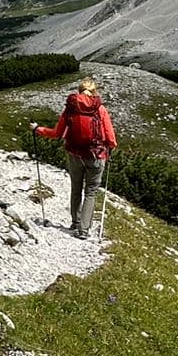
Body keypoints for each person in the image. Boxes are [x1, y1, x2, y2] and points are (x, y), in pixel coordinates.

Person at [33, 76, 117, 239]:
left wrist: (38, 129)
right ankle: (84, 230)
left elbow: (57, 133)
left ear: (79, 91)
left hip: (74, 154)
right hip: (96, 156)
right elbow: (110, 137)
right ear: (94, 92)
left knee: (76, 188)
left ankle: (75, 222)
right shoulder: (100, 109)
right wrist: (110, 148)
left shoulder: (70, 108)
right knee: (91, 191)